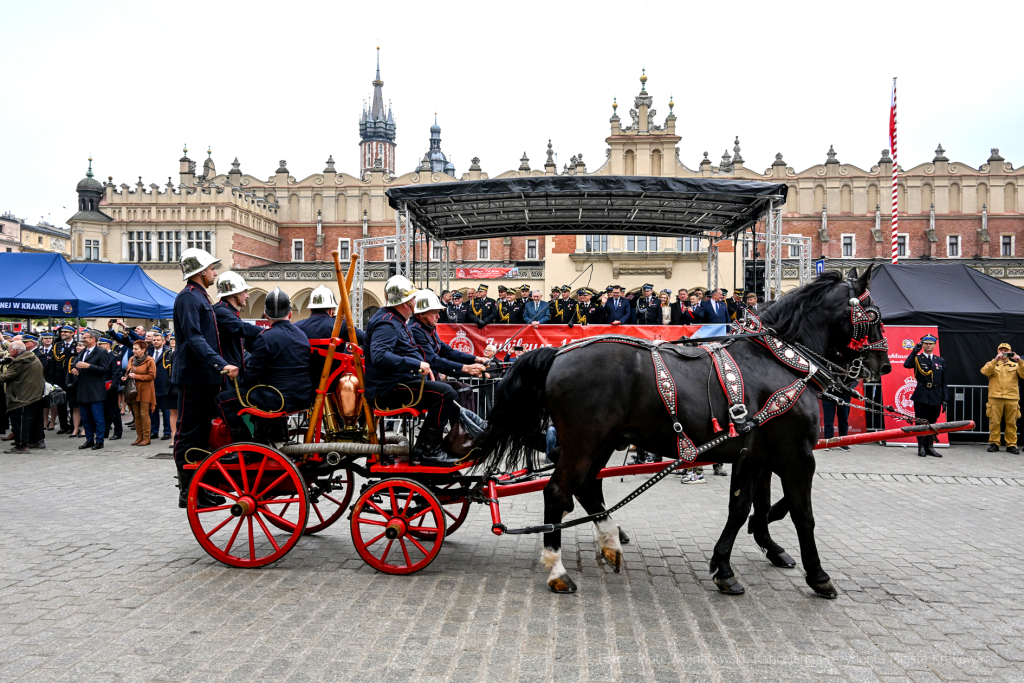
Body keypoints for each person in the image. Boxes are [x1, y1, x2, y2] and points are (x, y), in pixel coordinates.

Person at [364, 274, 459, 467]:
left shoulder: (395, 320)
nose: (416, 302)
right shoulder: (387, 322)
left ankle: (433, 446)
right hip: (389, 389)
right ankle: (427, 450)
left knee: (447, 389)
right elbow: (380, 356)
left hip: (398, 383)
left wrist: (419, 365)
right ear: (405, 302)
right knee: (444, 393)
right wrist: (416, 364)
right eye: (413, 298)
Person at [173, 248, 237, 508]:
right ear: (200, 272)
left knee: (204, 434)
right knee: (189, 433)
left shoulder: (200, 296)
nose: (215, 273)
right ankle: (187, 490)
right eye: (212, 269)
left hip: (205, 376)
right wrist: (221, 364)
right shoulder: (189, 298)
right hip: (194, 375)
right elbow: (194, 337)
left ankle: (201, 485)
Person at [216, 288, 311, 441]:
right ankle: (271, 437)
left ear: (266, 316)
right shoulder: (301, 335)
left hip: (277, 399)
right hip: (302, 397)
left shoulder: (265, 337)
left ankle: (245, 444)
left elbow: (251, 377)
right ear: (290, 313)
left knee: (222, 401)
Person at [408, 289, 487, 415]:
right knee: (451, 391)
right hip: (419, 383)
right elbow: (432, 360)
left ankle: (464, 432)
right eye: (435, 313)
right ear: (423, 314)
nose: (439, 317)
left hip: (429, 381)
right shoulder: (415, 330)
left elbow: (448, 351)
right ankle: (444, 432)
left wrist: (476, 359)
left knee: (464, 389)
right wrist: (466, 368)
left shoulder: (429, 329)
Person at [294, 284, 365, 391]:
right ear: (331, 310)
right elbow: (363, 338)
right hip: (333, 385)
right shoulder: (339, 325)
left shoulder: (296, 327)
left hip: (304, 384)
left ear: (310, 310)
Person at [213, 271, 264, 377]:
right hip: (228, 372)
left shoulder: (227, 311)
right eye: (245, 291)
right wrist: (270, 331)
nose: (247, 295)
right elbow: (243, 328)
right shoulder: (221, 311)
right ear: (236, 293)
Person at [903, 334, 946, 457]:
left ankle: (930, 447)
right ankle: (921, 447)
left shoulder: (940, 361)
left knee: (932, 422)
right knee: (921, 422)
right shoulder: (917, 358)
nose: (928, 345)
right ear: (923, 344)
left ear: (934, 345)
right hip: (922, 394)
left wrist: (945, 399)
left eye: (930, 343)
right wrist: (915, 350)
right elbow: (906, 365)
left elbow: (944, 381)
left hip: (936, 395)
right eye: (926, 343)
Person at [69, 330, 112, 451]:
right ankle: (89, 439)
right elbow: (79, 367)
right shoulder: (82, 352)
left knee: (98, 417)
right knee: (86, 417)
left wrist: (89, 366)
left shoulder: (101, 352)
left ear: (93, 339)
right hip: (83, 389)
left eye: (85, 337)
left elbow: (104, 370)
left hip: (95, 390)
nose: (83, 339)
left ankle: (99, 441)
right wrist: (76, 372)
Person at [0, 341, 45, 454]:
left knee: (19, 423)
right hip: (32, 395)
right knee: (32, 421)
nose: (9, 353)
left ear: (15, 351)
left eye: (10, 350)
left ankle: (21, 446)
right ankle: (35, 441)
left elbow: (4, 377)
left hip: (21, 397)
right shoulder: (31, 357)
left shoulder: (20, 362)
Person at [982, 343, 1024, 454]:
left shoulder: (1016, 365)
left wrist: (1020, 361)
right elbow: (985, 372)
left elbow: (1023, 375)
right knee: (994, 422)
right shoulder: (992, 363)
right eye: (1001, 350)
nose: (1003, 352)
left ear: (1011, 352)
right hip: (995, 397)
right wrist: (995, 360)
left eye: (1006, 350)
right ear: (997, 351)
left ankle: (1011, 445)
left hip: (1012, 397)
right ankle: (994, 443)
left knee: (1011, 423)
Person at [122, 340, 156, 446]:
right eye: (133, 348)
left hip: (145, 390)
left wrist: (136, 376)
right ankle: (139, 437)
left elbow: (152, 376)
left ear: (143, 350)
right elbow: (128, 371)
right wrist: (126, 377)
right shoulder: (132, 359)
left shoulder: (150, 360)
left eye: (136, 349)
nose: (133, 351)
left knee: (144, 414)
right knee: (136, 415)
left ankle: (147, 437)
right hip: (133, 390)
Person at [49, 325, 76, 433]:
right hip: (59, 378)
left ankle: (74, 425)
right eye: (62, 332)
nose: (63, 333)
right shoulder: (57, 345)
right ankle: (63, 426)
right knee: (61, 403)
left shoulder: (76, 345)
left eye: (66, 332)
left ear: (72, 333)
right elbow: (53, 363)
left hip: (72, 377)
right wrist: (52, 380)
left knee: (73, 403)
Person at [821, 380, 858, 451]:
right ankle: (828, 443)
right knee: (828, 420)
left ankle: (843, 443)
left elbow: (855, 380)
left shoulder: (850, 368)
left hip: (845, 395)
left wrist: (849, 389)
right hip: (829, 394)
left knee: (844, 420)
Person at [98, 337, 124, 441]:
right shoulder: (100, 355)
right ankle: (105, 431)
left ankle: (118, 431)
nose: (99, 346)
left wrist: (113, 387)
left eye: (102, 344)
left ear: (108, 344)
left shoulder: (114, 356)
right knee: (104, 410)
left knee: (113, 410)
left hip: (110, 386)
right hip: (100, 386)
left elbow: (116, 373)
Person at [149, 331, 172, 441]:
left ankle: (167, 431)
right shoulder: (149, 351)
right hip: (151, 385)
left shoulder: (168, 352)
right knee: (153, 410)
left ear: (163, 341)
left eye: (158, 340)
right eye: (154, 340)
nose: (156, 342)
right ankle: (154, 431)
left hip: (164, 384)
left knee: (165, 411)